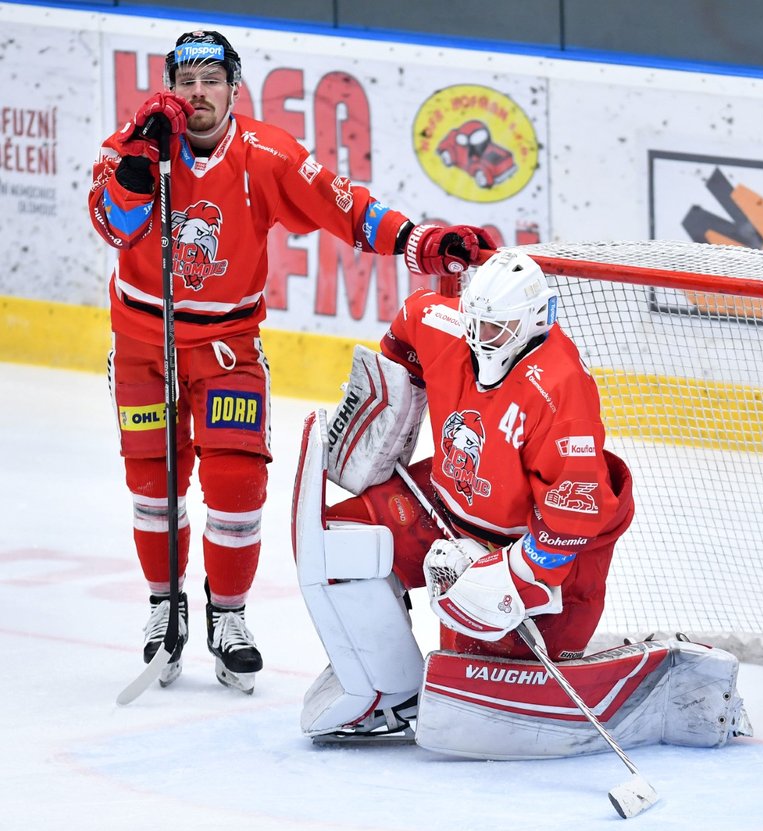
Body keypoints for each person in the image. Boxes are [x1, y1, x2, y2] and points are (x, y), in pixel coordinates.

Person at [88, 29, 491, 694]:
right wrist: (138, 158)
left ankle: (229, 618)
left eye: (211, 80)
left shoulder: (266, 156)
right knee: (153, 485)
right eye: (185, 81)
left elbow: (343, 205)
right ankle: (165, 609)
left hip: (226, 349)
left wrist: (418, 240)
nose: (197, 94)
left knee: (238, 487)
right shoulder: (130, 147)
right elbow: (114, 227)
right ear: (170, 88)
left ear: (232, 87)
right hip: (143, 348)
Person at [292, 247, 639, 741]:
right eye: (473, 321)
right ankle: (393, 689)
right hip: (447, 505)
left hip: (544, 547)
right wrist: (396, 397)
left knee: (484, 681)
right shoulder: (445, 322)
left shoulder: (561, 393)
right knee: (342, 542)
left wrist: (510, 575)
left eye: (494, 328)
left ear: (533, 323)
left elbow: (574, 517)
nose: (477, 338)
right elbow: (409, 326)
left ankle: (497, 658)